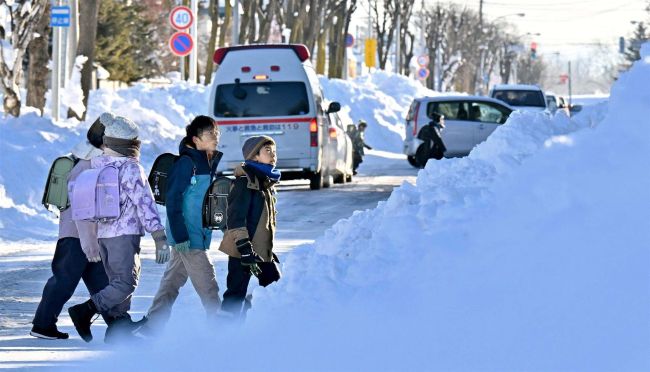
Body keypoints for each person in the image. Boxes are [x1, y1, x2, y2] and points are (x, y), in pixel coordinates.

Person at [67, 116, 170, 343]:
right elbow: (145, 203)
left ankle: (119, 328)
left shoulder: (99, 166)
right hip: (124, 235)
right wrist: (158, 235)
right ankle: (86, 310)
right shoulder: (131, 168)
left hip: (104, 234)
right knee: (126, 282)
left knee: (117, 281)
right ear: (131, 145)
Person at [30, 113, 114, 340]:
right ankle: (43, 324)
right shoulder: (88, 164)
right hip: (76, 235)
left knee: (102, 281)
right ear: (104, 140)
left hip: (87, 236)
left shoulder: (87, 158)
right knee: (63, 281)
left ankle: (118, 324)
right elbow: (82, 203)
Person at [138, 116, 223, 334]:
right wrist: (181, 235)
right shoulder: (187, 163)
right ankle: (222, 330)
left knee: (171, 283)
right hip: (188, 236)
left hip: (195, 233)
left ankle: (152, 326)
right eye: (210, 134)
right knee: (208, 285)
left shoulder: (206, 161)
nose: (216, 137)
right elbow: (174, 199)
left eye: (216, 133)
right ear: (195, 139)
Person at [219, 135, 281, 318]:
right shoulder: (245, 182)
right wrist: (244, 247)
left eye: (274, 151)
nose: (273, 155)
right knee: (235, 293)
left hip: (259, 250)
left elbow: (263, 222)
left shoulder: (264, 182)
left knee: (274, 285)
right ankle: (221, 333)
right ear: (254, 156)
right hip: (243, 250)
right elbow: (235, 218)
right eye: (268, 151)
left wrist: (267, 247)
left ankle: (250, 318)